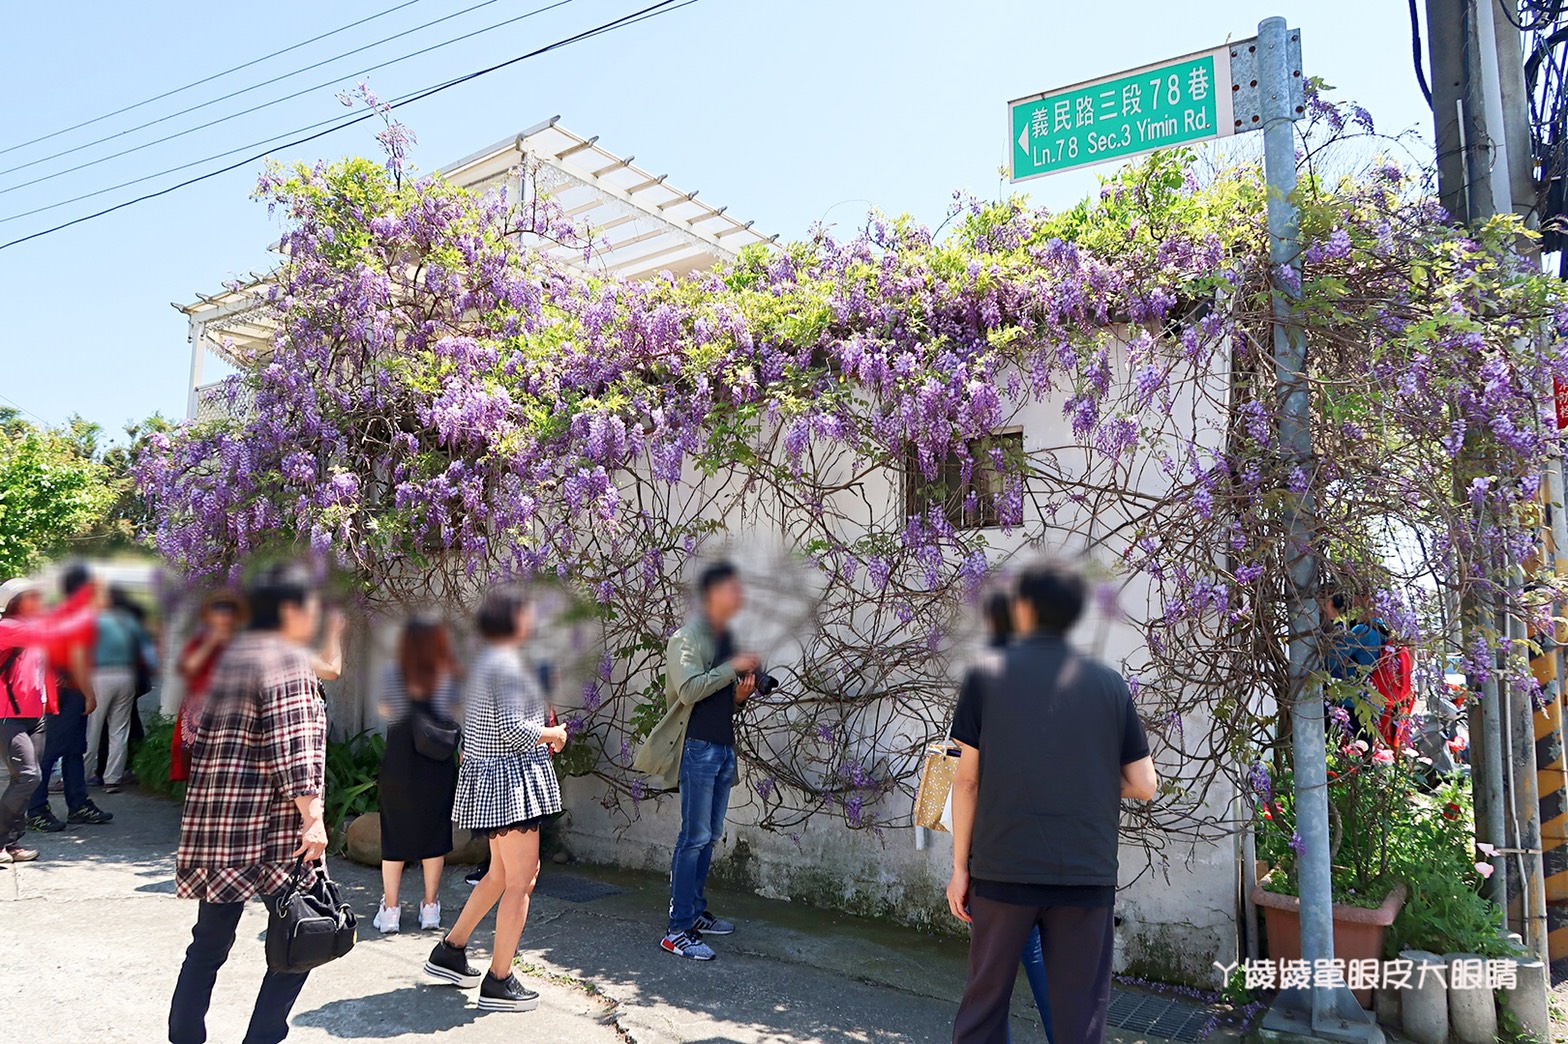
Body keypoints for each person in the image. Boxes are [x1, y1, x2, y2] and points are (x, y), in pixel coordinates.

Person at [949, 560, 1158, 1044]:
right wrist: (1080, 784)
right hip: (1084, 874)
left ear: (1022, 609)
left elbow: (967, 783)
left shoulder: (986, 676)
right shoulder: (1109, 683)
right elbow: (1144, 783)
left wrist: (961, 869)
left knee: (983, 1010)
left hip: (1003, 869)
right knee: (1079, 1021)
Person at [168, 563, 329, 1044]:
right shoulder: (286, 659)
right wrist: (313, 818)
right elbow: (294, 746)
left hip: (221, 822)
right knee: (306, 935)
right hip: (273, 830)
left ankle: (185, 1037)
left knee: (210, 943)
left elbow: (193, 732)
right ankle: (263, 1036)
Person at [425, 587, 567, 1012]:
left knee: (501, 876)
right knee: (522, 879)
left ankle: (451, 950)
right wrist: (553, 734)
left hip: (493, 779)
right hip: (510, 781)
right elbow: (512, 728)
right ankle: (499, 980)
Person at [633, 561, 760, 961]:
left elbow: (720, 698)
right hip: (698, 750)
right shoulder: (685, 638)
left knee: (710, 834)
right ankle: (677, 930)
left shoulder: (727, 639)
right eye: (732, 590)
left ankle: (695, 912)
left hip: (722, 748)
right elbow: (688, 690)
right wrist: (731, 668)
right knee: (693, 837)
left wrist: (740, 694)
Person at [981, 590, 1053, 1044]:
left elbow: (968, 776)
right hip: (1055, 856)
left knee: (995, 975)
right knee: (1043, 959)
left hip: (1001, 852)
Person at [0, 576, 99, 863]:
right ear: (15, 602)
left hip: (35, 715)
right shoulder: (8, 628)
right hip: (8, 716)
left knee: (29, 779)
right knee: (28, 776)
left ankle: (12, 843)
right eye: (33, 597)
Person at [374, 616, 461, 934]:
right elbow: (453, 710)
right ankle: (430, 909)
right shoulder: (446, 670)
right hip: (436, 763)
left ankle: (392, 911)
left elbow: (385, 710)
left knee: (394, 836)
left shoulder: (394, 672)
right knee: (434, 836)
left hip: (400, 763)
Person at [27, 565, 113, 833]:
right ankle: (36, 808)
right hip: (66, 691)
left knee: (74, 750)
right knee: (51, 751)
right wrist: (89, 693)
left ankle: (78, 803)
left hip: (64, 689)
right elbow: (77, 658)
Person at [172, 592, 244, 782]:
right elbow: (189, 667)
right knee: (196, 756)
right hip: (200, 706)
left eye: (228, 612)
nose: (223, 617)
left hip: (234, 707)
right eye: (219, 611)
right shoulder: (200, 640)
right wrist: (210, 644)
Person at [84, 585, 148, 794]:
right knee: (119, 729)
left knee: (92, 728)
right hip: (126, 675)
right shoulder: (128, 621)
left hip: (100, 675)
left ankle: (82, 774)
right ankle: (113, 778)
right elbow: (144, 647)